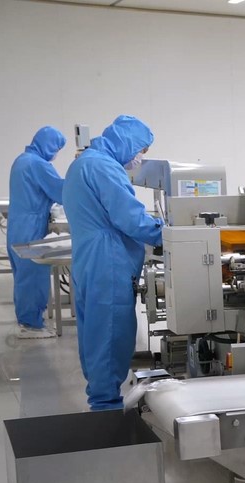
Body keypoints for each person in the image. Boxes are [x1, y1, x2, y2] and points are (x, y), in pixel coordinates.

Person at [63, 115, 162, 411]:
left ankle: (100, 393)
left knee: (94, 331)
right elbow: (129, 218)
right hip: (108, 260)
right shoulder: (104, 167)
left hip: (89, 258)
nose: (139, 158)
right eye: (140, 150)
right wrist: (165, 233)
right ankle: (106, 406)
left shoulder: (83, 163)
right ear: (128, 143)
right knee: (109, 331)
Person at [7, 126, 67, 339]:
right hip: (31, 226)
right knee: (33, 275)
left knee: (23, 275)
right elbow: (61, 191)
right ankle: (31, 325)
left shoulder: (22, 160)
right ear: (49, 145)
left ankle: (26, 319)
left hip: (18, 224)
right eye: (57, 148)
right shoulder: (38, 164)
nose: (56, 153)